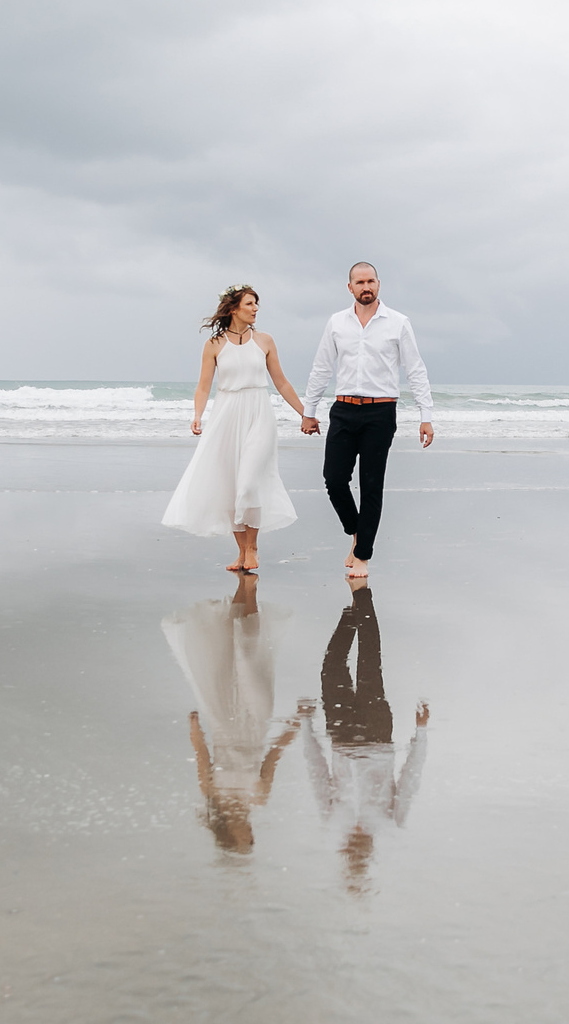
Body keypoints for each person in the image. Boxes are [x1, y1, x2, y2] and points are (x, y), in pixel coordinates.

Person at [161, 284, 312, 573]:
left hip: (259, 413)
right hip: (226, 415)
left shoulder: (265, 341)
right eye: (250, 304)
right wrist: (197, 415)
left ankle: (253, 547)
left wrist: (306, 414)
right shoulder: (215, 345)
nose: (255, 309)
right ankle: (241, 552)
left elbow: (281, 382)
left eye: (256, 304)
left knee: (249, 481)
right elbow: (204, 385)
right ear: (233, 309)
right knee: (230, 485)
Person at [298, 262, 433, 579]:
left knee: (372, 485)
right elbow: (321, 368)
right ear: (350, 288)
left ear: (379, 284)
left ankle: (362, 556)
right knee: (334, 479)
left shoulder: (398, 323)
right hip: (343, 409)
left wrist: (426, 416)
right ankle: (357, 532)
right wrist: (309, 410)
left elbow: (415, 370)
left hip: (380, 412)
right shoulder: (336, 323)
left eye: (370, 280)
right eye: (359, 282)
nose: (365, 286)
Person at [295, 586, 429, 893]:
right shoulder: (389, 824)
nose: (354, 848)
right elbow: (409, 782)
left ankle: (353, 613)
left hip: (341, 737)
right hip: (377, 736)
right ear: (367, 854)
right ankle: (363, 598)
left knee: (331, 667)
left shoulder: (333, 822)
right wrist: (420, 733)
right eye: (359, 854)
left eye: (350, 853)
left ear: (344, 850)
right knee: (369, 661)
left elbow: (318, 775)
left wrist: (306, 724)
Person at [163, 576, 304, 854]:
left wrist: (195, 726)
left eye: (245, 841)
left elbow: (202, 756)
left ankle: (245, 585)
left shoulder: (211, 793)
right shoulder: (259, 798)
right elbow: (273, 755)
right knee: (250, 658)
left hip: (223, 720)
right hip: (257, 720)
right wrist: (296, 722)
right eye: (252, 841)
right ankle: (249, 587)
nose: (251, 837)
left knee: (233, 652)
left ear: (230, 834)